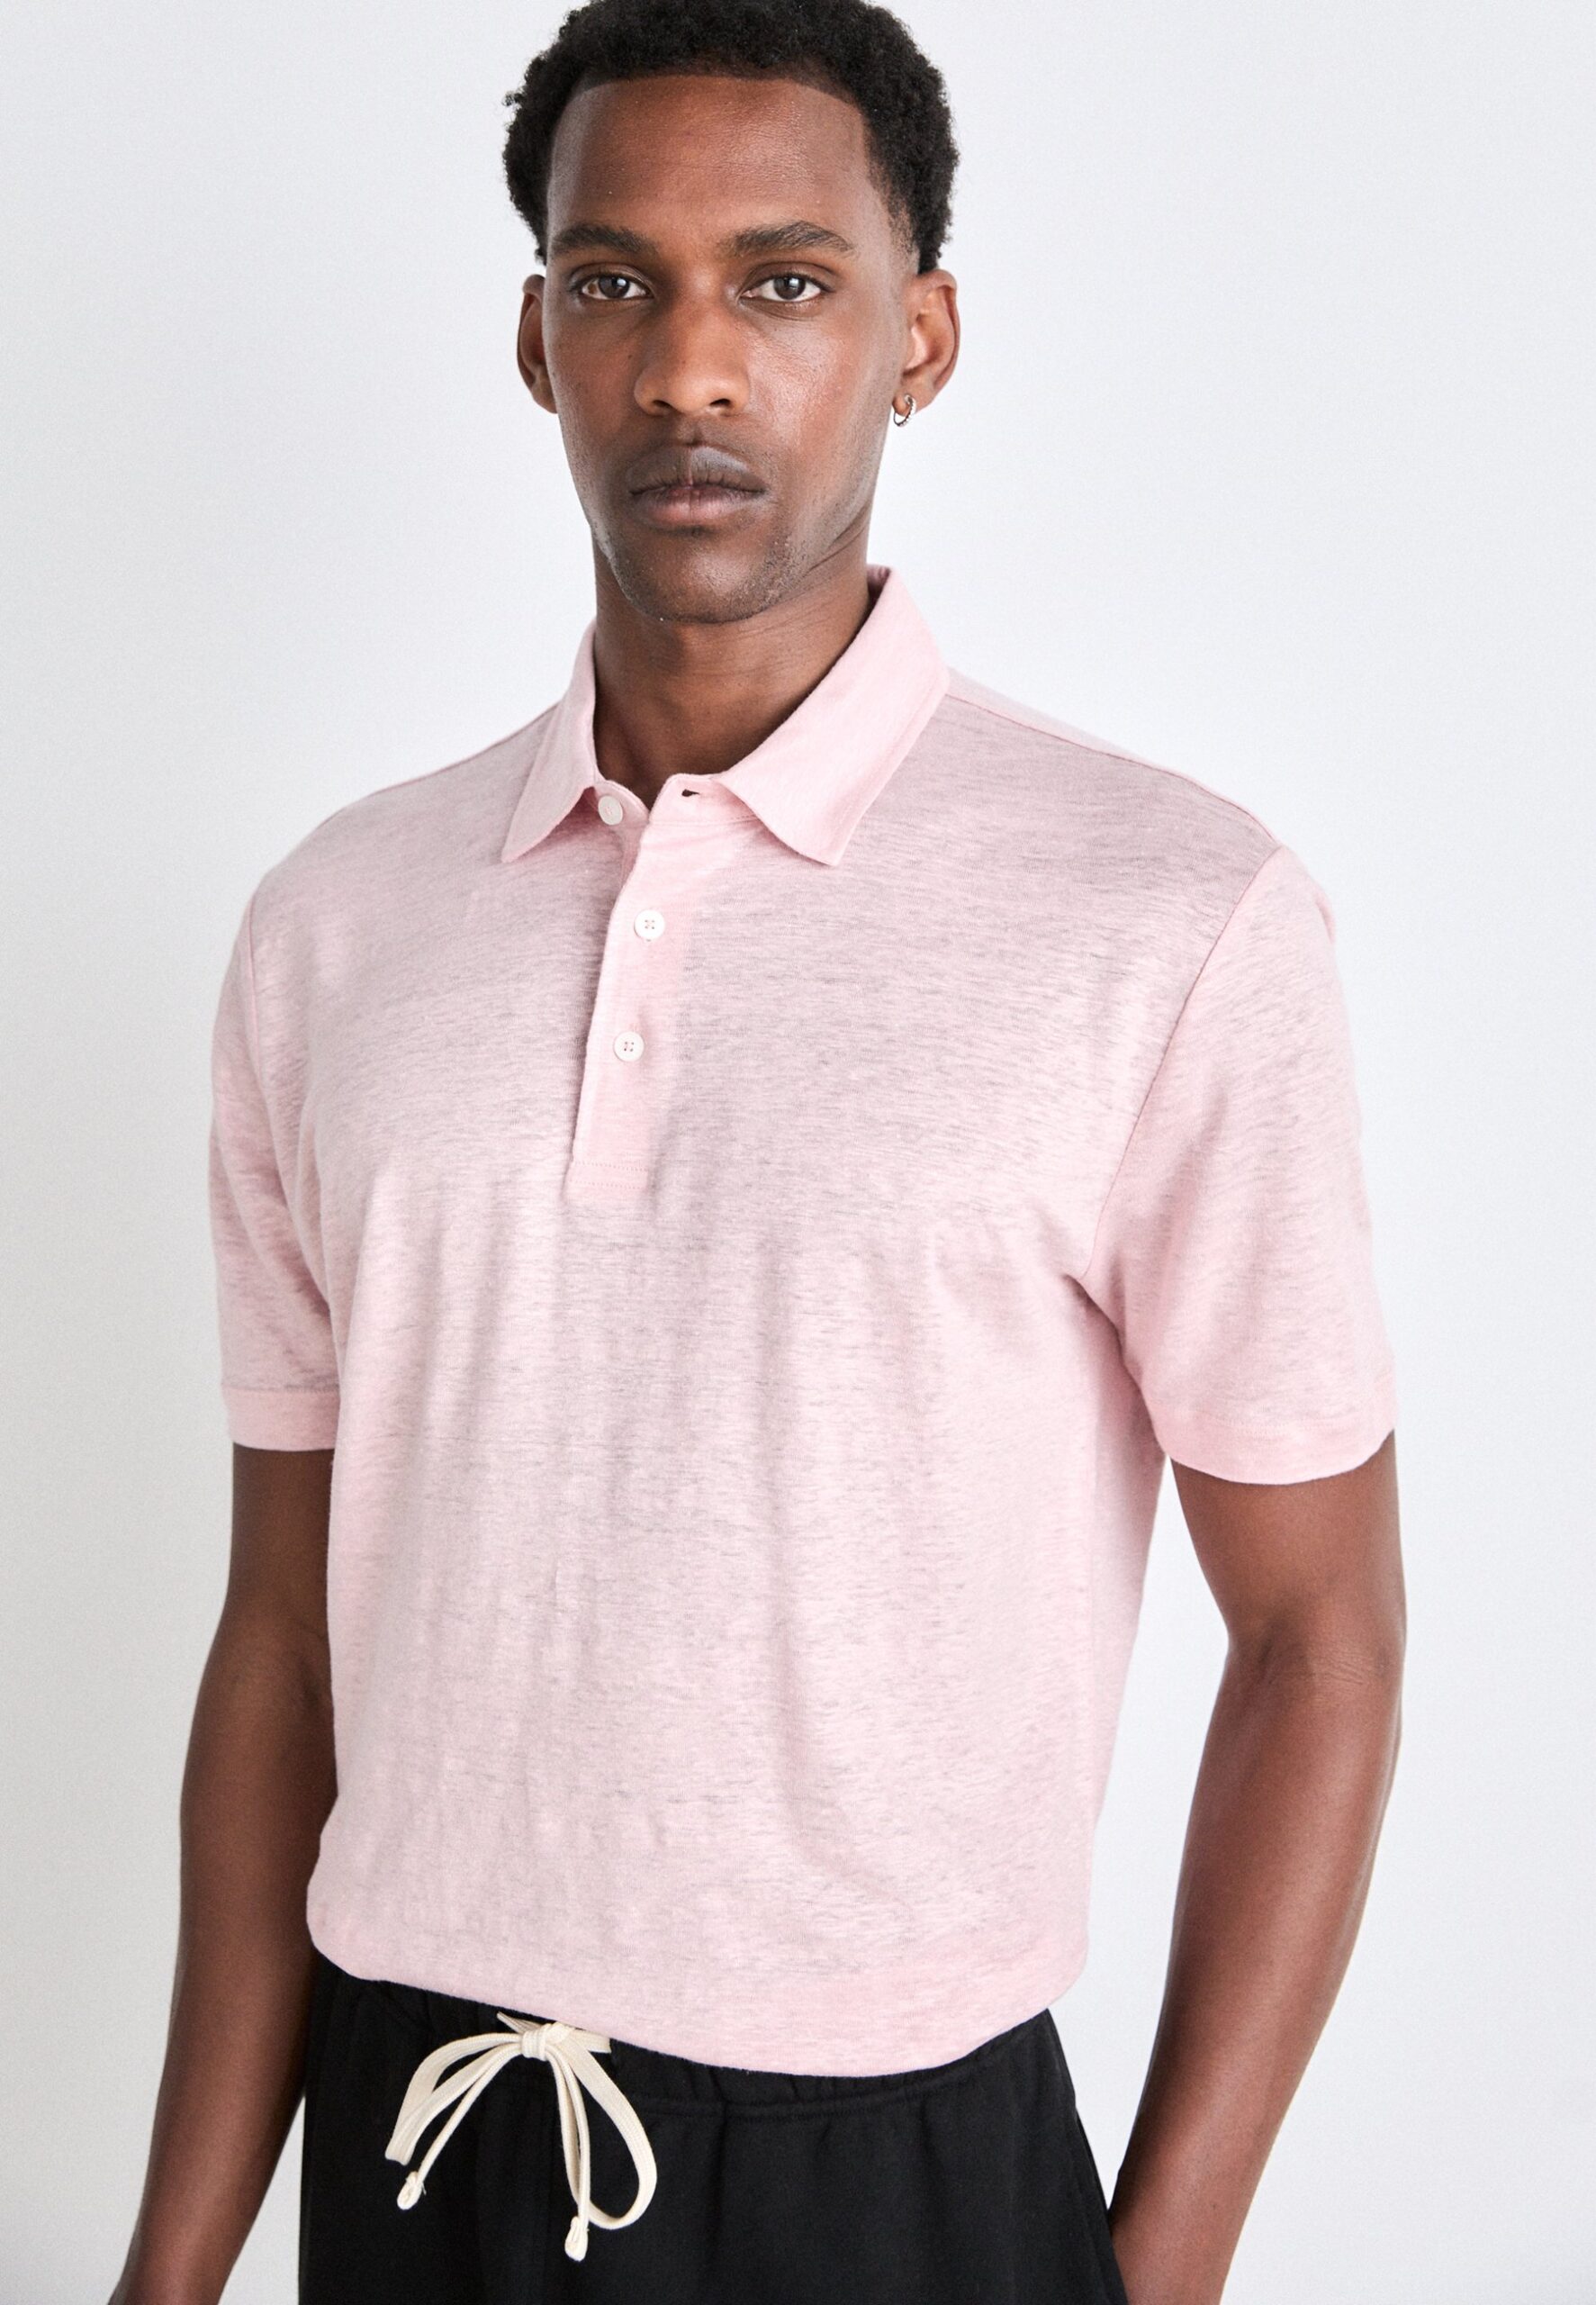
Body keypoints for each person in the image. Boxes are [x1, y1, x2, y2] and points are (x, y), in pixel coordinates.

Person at [109, 2, 1405, 2300]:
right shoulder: (336, 926)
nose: (688, 366)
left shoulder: (1168, 914)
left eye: (782, 282)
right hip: (414, 2127)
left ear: (917, 339)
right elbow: (285, 1644)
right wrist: (168, 2265)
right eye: (613, 280)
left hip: (899, 2164)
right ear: (537, 339)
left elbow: (1317, 1628)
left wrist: (1159, 2266)